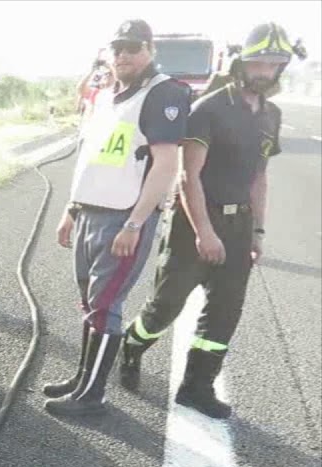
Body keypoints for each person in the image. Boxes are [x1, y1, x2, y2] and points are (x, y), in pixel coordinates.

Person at [118, 22, 300, 419]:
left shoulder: (271, 115)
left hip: (239, 228)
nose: (265, 72)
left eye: (273, 65)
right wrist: (205, 233)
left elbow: (259, 177)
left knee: (224, 314)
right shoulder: (209, 108)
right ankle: (131, 344)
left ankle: (196, 388)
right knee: (164, 308)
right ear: (242, 63)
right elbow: (188, 175)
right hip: (193, 225)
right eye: (258, 63)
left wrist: (257, 231)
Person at [42, 19, 192, 417]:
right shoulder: (108, 96)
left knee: (106, 306)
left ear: (150, 49)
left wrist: (135, 222)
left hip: (124, 218)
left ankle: (92, 398)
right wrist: (71, 209)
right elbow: (91, 160)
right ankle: (82, 380)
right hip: (89, 213)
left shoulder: (164, 94)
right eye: (117, 48)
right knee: (91, 303)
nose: (123, 54)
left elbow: (165, 165)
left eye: (132, 46)